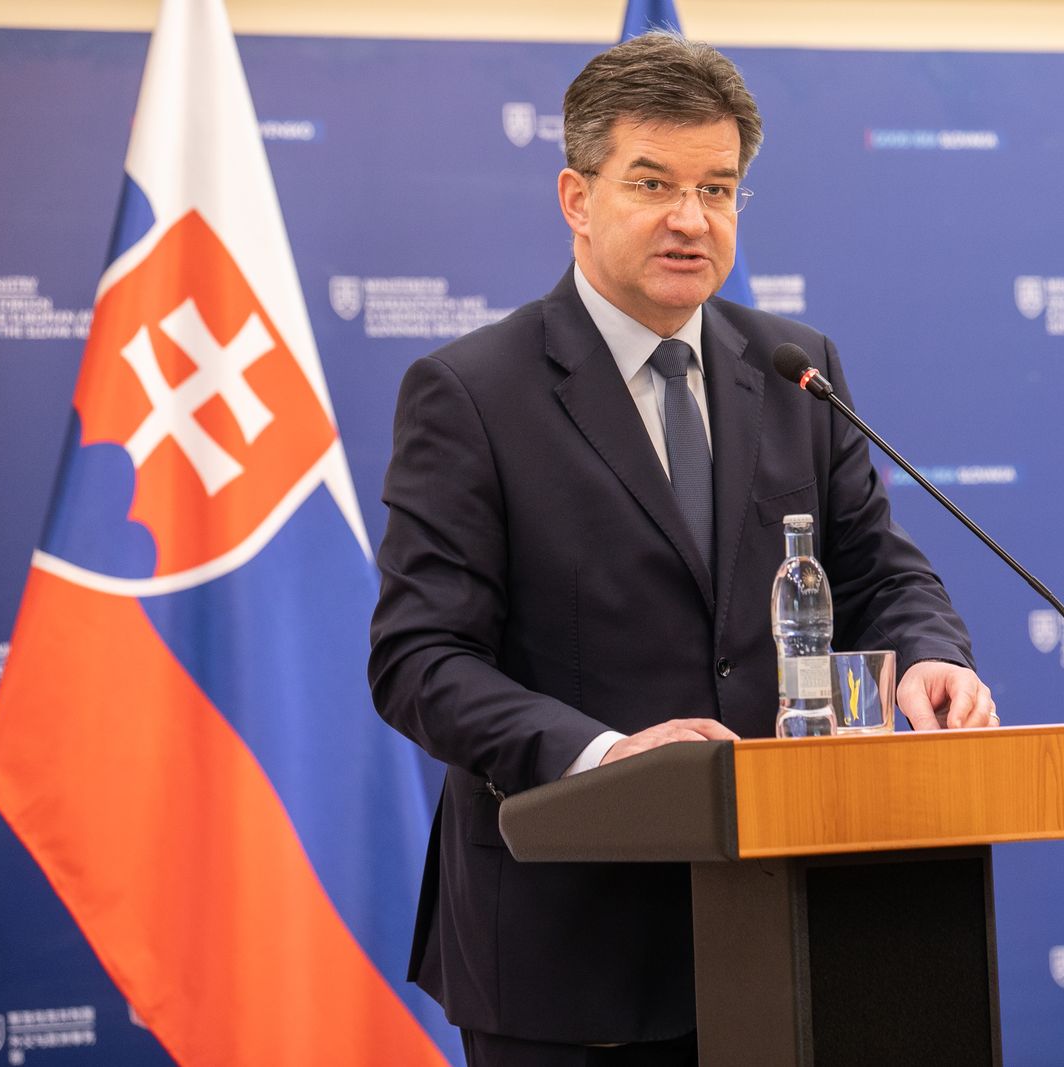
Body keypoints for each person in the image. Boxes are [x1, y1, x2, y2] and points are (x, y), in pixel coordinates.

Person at [369, 31, 997, 1066]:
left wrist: (934, 655)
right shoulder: (472, 394)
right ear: (577, 197)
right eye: (653, 183)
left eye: (718, 188)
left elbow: (878, 571)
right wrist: (607, 757)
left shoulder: (795, 368)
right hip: (571, 950)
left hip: (792, 925)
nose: (691, 218)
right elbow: (420, 660)